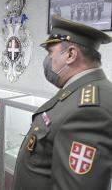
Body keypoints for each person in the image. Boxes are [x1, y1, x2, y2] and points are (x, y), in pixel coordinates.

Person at [12, 14, 112, 190]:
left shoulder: (90, 109)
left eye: (51, 52)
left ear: (71, 54)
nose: (48, 59)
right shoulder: (77, 92)